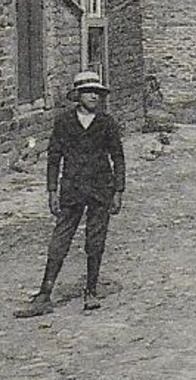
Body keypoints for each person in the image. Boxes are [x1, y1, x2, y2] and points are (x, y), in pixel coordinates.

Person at [14, 71, 126, 317]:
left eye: (97, 92)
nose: (93, 96)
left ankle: (91, 291)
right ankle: (45, 293)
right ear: (77, 96)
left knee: (95, 241)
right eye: (88, 92)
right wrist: (52, 190)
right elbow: (54, 158)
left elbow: (117, 157)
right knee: (60, 240)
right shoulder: (64, 122)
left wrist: (118, 190)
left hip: (100, 189)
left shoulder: (107, 123)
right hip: (72, 189)